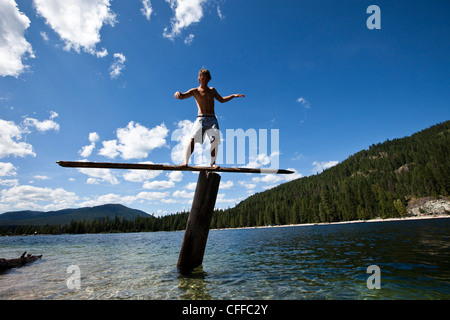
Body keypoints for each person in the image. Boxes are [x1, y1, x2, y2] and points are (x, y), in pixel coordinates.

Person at [174, 69, 245, 168]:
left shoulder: (212, 90)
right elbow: (182, 96)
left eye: (207, 79)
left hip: (212, 119)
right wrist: (177, 93)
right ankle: (185, 162)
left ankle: (213, 163)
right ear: (199, 79)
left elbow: (221, 100)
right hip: (201, 118)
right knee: (192, 139)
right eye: (203, 79)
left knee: (215, 140)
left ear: (209, 79)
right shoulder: (195, 91)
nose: (205, 81)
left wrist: (233, 96)